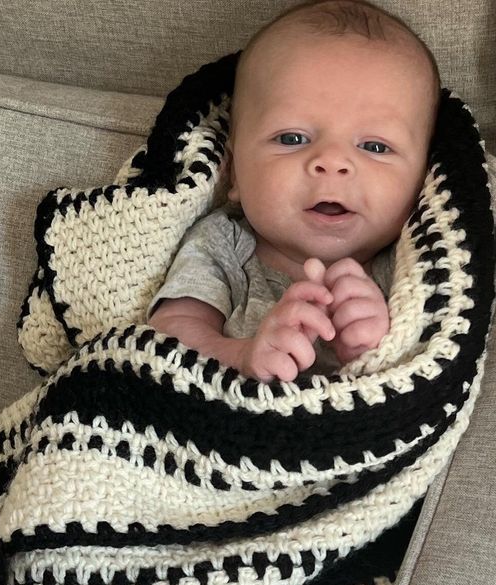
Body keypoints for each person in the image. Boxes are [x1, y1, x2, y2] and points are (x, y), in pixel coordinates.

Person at [147, 0, 442, 382]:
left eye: (374, 147)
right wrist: (240, 354)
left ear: (423, 177)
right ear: (234, 170)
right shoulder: (223, 244)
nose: (333, 162)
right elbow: (168, 332)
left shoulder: (410, 266)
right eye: (292, 137)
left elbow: (422, 366)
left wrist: (372, 349)